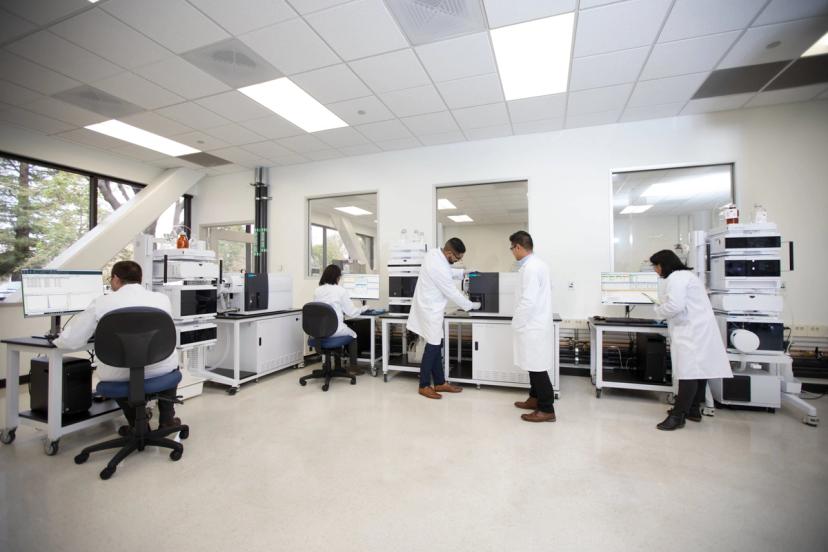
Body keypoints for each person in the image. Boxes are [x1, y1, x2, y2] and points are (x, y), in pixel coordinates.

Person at [54, 261, 182, 431]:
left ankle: (137, 424)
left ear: (115, 278)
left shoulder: (101, 303)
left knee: (117, 374)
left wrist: (57, 340)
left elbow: (72, 341)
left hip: (118, 373)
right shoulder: (161, 299)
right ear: (140, 278)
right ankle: (167, 420)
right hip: (161, 369)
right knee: (171, 364)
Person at [650, 249, 732, 431]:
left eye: (656, 266)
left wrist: (658, 311)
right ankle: (693, 409)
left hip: (692, 332)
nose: (655, 270)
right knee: (698, 372)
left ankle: (678, 416)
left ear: (663, 265)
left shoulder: (677, 278)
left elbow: (675, 305)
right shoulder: (686, 276)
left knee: (688, 373)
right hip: (699, 329)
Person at [407, 238, 481, 399]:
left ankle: (440, 382)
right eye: (457, 258)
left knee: (436, 344)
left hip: (431, 309)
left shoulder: (434, 254)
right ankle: (424, 385)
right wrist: (471, 305)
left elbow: (447, 271)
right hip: (429, 310)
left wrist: (463, 272)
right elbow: (452, 292)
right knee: (433, 346)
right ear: (448, 253)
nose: (458, 260)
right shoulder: (438, 265)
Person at [509, 231, 556, 423]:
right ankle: (534, 398)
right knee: (532, 364)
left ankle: (546, 408)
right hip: (535, 323)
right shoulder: (538, 265)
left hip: (532, 324)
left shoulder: (531, 268)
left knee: (537, 367)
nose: (512, 252)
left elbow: (528, 301)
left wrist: (517, 322)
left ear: (518, 247)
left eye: (512, 248)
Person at [313, 264, 368, 375]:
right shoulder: (340, 291)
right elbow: (351, 312)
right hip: (335, 329)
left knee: (339, 330)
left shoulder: (317, 291)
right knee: (353, 335)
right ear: (337, 277)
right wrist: (365, 308)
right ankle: (353, 367)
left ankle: (336, 365)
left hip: (319, 330)